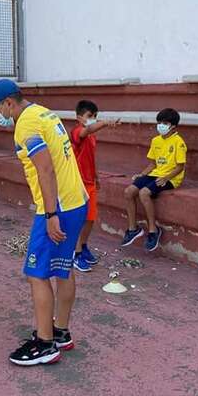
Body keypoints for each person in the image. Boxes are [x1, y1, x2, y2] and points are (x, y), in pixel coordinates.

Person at [0, 79, 87, 366]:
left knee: (37, 273)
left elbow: (45, 169)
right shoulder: (44, 113)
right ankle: (60, 331)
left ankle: (44, 344)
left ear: (8, 103)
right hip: (76, 200)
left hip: (57, 207)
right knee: (63, 268)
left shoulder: (26, 124)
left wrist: (51, 215)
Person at [121, 108, 187, 252]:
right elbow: (153, 164)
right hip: (155, 174)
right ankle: (133, 229)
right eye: (159, 123)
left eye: (165, 123)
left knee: (144, 193)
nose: (161, 126)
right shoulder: (155, 140)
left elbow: (180, 167)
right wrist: (142, 174)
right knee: (129, 192)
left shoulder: (178, 142)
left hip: (171, 177)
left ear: (173, 126)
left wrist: (165, 178)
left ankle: (153, 230)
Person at [70, 99, 120, 272]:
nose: (93, 119)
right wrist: (104, 123)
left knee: (90, 218)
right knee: (79, 219)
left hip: (90, 181)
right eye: (90, 116)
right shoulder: (77, 132)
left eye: (95, 116)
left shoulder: (92, 137)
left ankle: (83, 246)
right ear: (79, 118)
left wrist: (96, 176)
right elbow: (87, 130)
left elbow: (91, 158)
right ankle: (75, 253)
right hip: (78, 183)